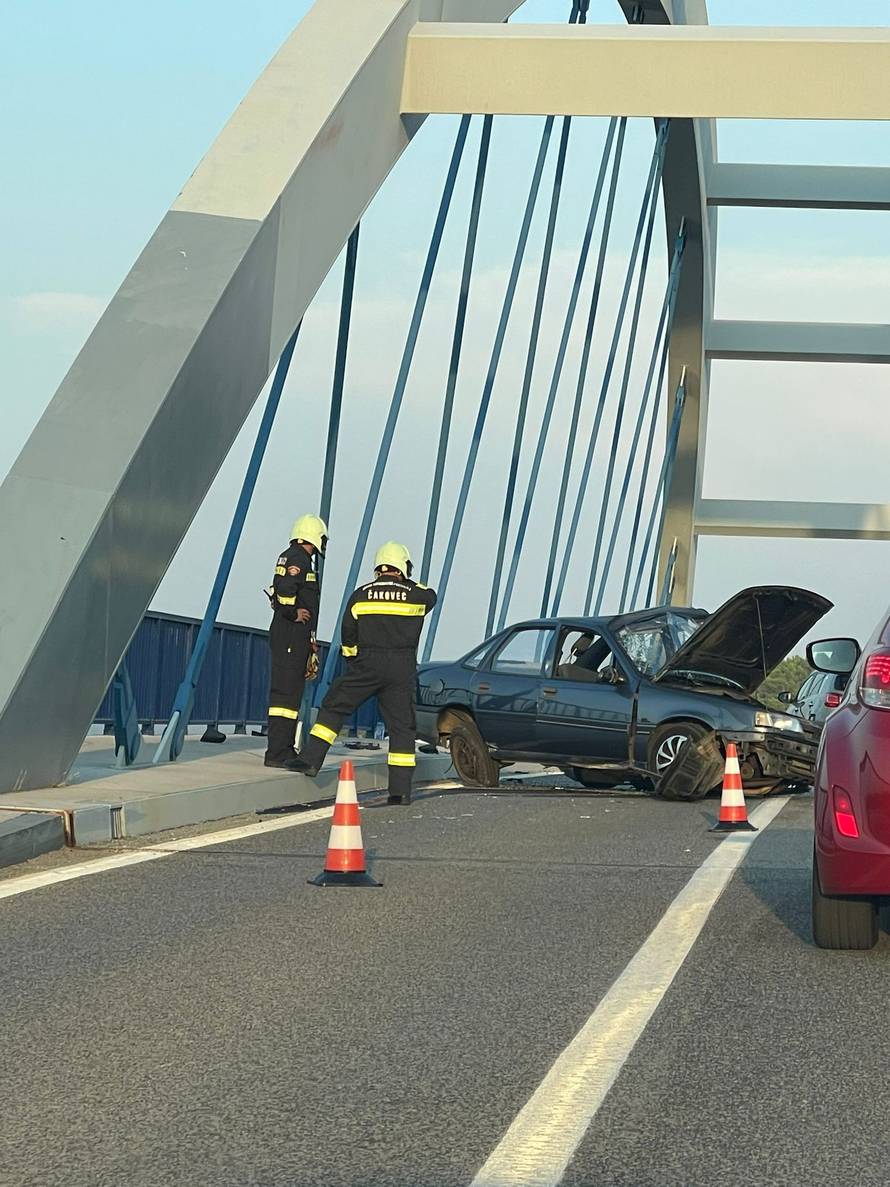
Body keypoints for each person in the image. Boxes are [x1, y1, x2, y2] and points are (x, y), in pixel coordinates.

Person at [288, 541, 437, 804]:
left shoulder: (361, 594)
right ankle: (400, 792)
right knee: (402, 727)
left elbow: (348, 634)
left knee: (334, 708)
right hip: (401, 666)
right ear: (403, 567)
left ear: (378, 567)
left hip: (367, 662)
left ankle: (310, 761)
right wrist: (406, 584)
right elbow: (430, 595)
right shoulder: (416, 595)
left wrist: (353, 660)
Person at [264, 514, 328, 768]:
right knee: (286, 695)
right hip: (290, 632)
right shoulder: (298, 559)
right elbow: (285, 591)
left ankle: (284, 747)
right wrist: (293, 613)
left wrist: (310, 639)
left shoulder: (294, 556)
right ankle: (278, 752)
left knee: (290, 694)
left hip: (295, 634)